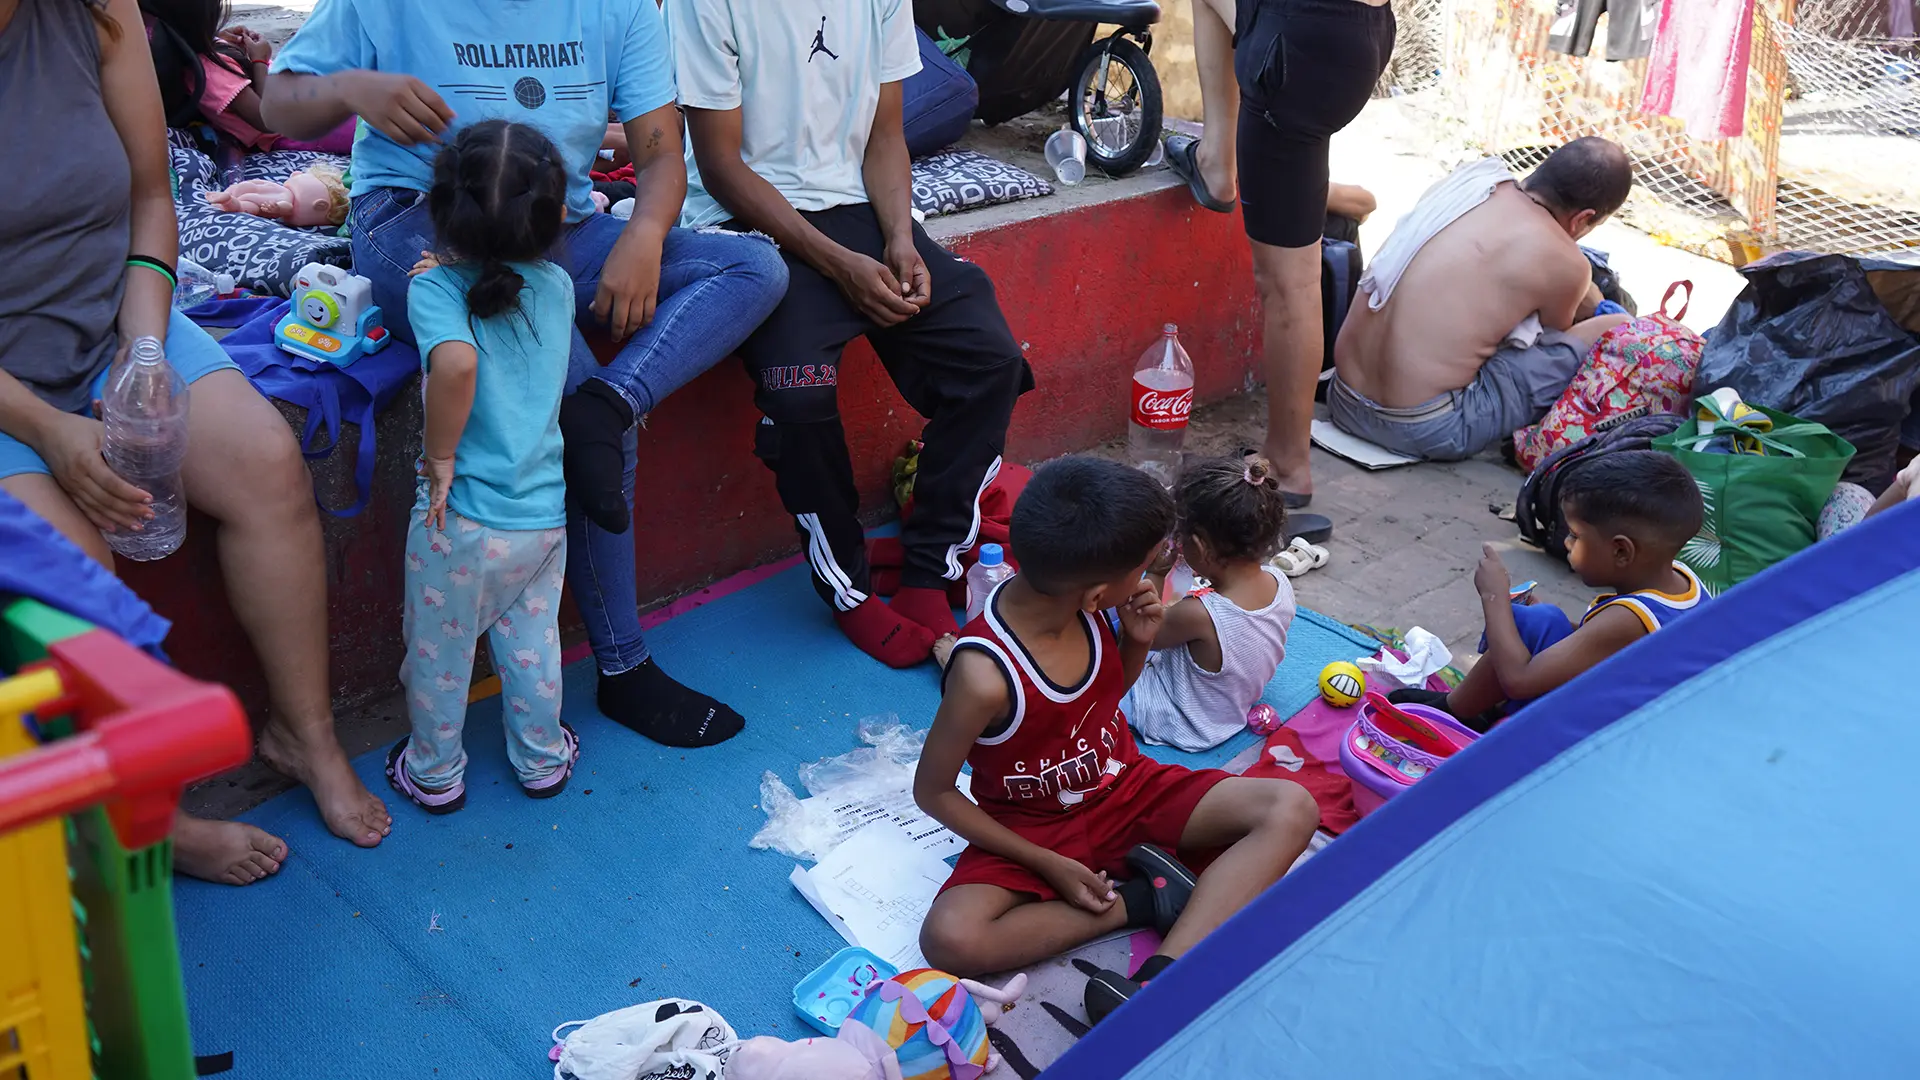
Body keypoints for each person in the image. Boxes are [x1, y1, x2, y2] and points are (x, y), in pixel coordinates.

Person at [261, 0, 789, 748]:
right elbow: (278, 102)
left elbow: (663, 153)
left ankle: (610, 404)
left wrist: (643, 232)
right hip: (422, 224)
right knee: (557, 394)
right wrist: (353, 89)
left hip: (557, 228)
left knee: (753, 266)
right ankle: (625, 666)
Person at [0, 0, 390, 883]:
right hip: (7, 395)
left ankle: (305, 735)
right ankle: (155, 817)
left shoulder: (95, 14)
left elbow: (149, 195)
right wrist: (51, 433)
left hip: (113, 317)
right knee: (75, 574)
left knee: (266, 465)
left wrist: (143, 353)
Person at [664, 0, 1033, 669]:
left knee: (989, 358)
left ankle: (929, 564)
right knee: (798, 393)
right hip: (748, 224)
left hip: (861, 210)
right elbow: (719, 166)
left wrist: (900, 237)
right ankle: (849, 588)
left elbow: (885, 133)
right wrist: (838, 266)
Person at [912, 457, 1320, 1021]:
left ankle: (1161, 978)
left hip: (1125, 787)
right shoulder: (983, 674)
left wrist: (1136, 643)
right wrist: (1045, 863)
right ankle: (1143, 897)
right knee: (950, 941)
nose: (1156, 578)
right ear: (1096, 592)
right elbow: (933, 793)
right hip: (1028, 826)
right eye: (1147, 566)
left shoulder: (1100, 615)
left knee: (1291, 806)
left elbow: (1096, 704)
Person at [384, 121, 579, 814]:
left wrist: (439, 457)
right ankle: (543, 760)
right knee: (531, 642)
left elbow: (459, 361)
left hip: (460, 517)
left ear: (443, 211)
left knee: (440, 653)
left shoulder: (433, 291)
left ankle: (434, 774)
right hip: (542, 512)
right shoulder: (557, 285)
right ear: (553, 215)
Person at [1160, 0, 1395, 509]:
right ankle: (1217, 161)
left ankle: (1288, 467)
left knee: (1290, 284)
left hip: (1296, 46)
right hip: (1363, 33)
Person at [1330, 139, 1636, 461]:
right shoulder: (1567, 261)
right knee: (1618, 324)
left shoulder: (1470, 181)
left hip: (1342, 396)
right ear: (1582, 218)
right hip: (1422, 428)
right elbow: (1547, 339)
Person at [1392, 452, 1705, 729]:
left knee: (1524, 627)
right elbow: (1604, 644)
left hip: (1601, 731)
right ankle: (1464, 708)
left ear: (1622, 552)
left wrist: (1494, 597)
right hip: (1621, 700)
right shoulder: (1682, 580)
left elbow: (1519, 681)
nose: (1567, 543)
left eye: (1576, 536)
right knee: (1540, 620)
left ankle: (1455, 716)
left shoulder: (1629, 618)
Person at [1122, 454, 1296, 752]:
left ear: (1200, 547)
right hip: (1227, 710)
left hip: (1181, 721)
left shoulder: (1199, 614)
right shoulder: (1278, 581)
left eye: (1180, 538)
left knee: (1093, 670)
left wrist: (1157, 572)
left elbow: (1143, 635)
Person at [138, 0, 353, 152]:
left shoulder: (200, 51)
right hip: (295, 129)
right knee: (366, 123)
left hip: (294, 100)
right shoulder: (212, 74)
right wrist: (259, 61)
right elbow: (269, 120)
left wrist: (217, 40)